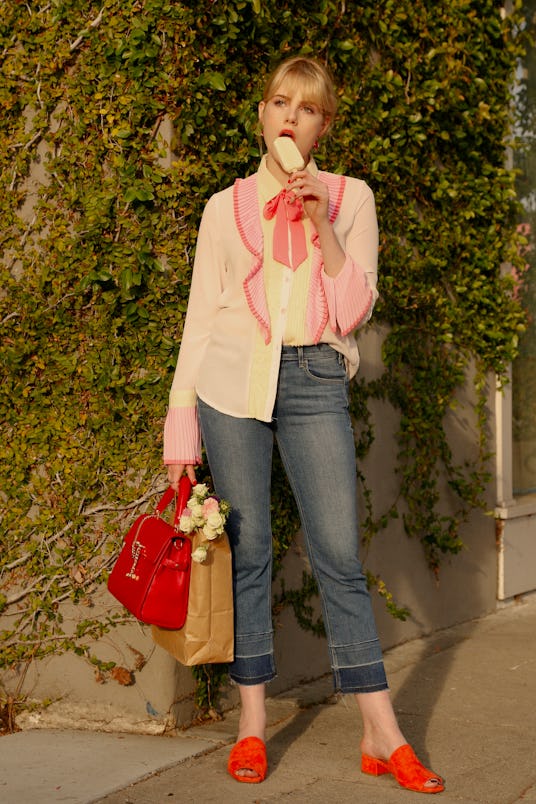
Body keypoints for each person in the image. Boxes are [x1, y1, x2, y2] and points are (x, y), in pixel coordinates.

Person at [164, 56, 444, 794]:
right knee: (249, 549)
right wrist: (179, 433)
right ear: (261, 114)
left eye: (309, 108)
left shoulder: (352, 199)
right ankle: (251, 728)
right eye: (280, 102)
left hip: (316, 378)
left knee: (339, 556)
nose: (291, 116)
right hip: (230, 382)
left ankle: (381, 732)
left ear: (323, 125)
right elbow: (200, 323)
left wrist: (321, 219)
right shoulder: (223, 209)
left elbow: (352, 309)